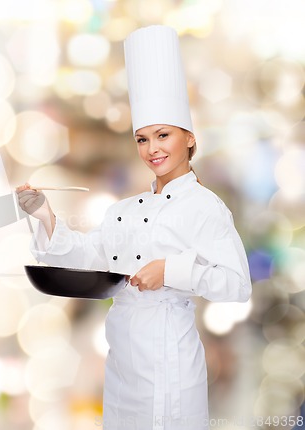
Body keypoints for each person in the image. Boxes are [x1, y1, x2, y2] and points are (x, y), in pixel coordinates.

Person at [16, 25, 252, 430]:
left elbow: (237, 284)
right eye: (142, 139)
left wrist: (171, 271)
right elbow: (91, 258)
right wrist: (44, 215)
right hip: (122, 363)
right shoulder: (123, 210)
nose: (153, 149)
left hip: (171, 364)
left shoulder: (205, 207)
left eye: (163, 135)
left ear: (190, 139)